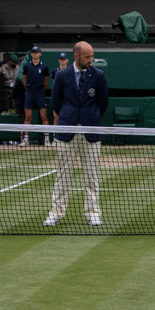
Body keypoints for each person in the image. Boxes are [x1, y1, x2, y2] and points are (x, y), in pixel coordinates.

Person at [44, 41, 109, 227]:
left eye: (92, 56)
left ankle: (93, 212)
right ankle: (56, 212)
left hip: (91, 130)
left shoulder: (98, 75)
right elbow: (56, 102)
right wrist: (69, 118)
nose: (91, 60)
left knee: (91, 175)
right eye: (87, 57)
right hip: (67, 130)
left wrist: (90, 118)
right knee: (63, 174)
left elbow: (103, 102)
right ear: (76, 56)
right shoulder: (62, 75)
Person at [20, 46, 51, 146]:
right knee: (28, 117)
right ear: (31, 54)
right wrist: (28, 89)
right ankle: (26, 140)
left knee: (43, 116)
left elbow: (46, 81)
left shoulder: (44, 67)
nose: (35, 54)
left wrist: (41, 90)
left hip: (40, 93)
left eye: (37, 52)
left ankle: (46, 140)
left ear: (40, 54)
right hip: (29, 92)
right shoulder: (26, 66)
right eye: (33, 52)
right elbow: (24, 79)